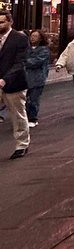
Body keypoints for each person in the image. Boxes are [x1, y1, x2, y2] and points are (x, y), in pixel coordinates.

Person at [0, 10, 29, 158]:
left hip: (14, 83)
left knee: (17, 115)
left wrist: (5, 79)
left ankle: (22, 145)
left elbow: (20, 63)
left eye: (2, 22)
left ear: (10, 22)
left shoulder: (20, 39)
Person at [25, 29, 51, 127]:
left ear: (40, 38)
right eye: (32, 36)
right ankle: (25, 117)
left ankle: (33, 118)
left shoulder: (44, 50)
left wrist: (24, 61)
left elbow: (36, 62)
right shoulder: (26, 49)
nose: (32, 38)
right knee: (23, 99)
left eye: (35, 36)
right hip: (24, 78)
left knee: (33, 99)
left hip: (37, 78)